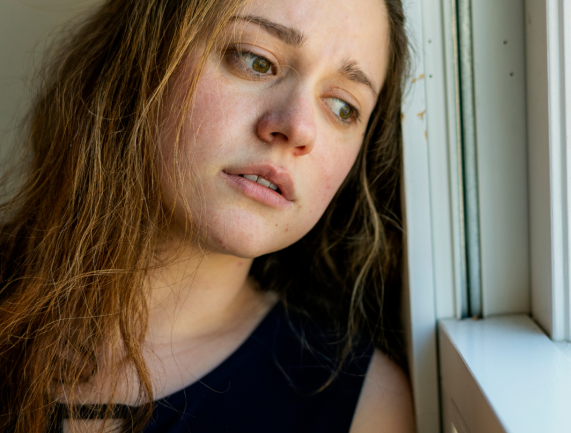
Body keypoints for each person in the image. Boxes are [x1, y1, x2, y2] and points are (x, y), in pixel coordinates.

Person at [0, 0, 416, 431]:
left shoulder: (360, 407)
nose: (299, 127)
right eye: (257, 60)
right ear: (145, 57)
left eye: (343, 107)